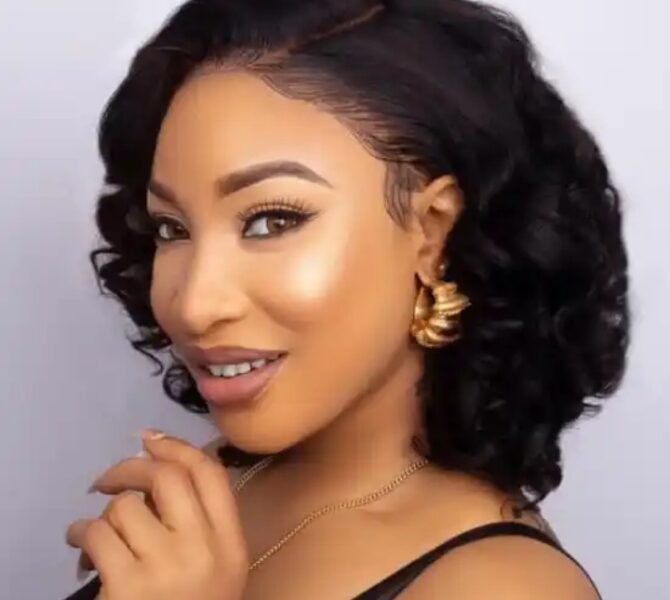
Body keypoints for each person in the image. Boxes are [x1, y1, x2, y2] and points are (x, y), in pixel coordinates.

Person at [63, 0, 629, 598]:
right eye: (172, 228)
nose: (194, 306)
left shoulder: (505, 587)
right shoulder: (212, 489)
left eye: (271, 221)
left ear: (432, 232)